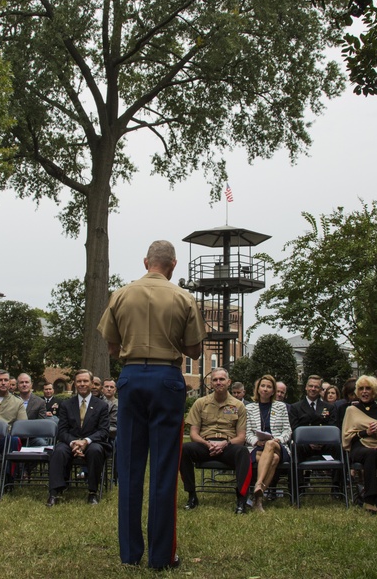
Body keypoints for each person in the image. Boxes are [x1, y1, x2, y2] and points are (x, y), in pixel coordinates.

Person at [97, 239, 205, 571]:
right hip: (167, 379)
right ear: (173, 265)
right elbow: (195, 352)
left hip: (130, 378)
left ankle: (130, 553)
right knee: (163, 469)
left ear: (146, 262)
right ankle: (161, 556)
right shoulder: (183, 297)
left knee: (129, 466)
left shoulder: (121, 294)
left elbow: (112, 346)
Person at [179, 367, 250, 515]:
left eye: (222, 379)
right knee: (184, 449)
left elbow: (241, 437)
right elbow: (193, 433)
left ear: (228, 382)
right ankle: (192, 496)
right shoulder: (200, 403)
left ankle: (241, 500)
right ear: (211, 384)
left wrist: (225, 443)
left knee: (243, 452)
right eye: (215, 380)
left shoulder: (238, 406)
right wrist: (207, 444)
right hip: (205, 445)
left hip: (228, 445)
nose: (218, 382)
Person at [47, 370, 111, 506]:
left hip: (92, 442)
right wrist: (73, 443)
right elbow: (62, 430)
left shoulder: (102, 406)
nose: (82, 384)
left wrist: (85, 441)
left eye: (85, 381)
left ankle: (92, 493)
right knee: (58, 450)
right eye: (79, 381)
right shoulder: (66, 405)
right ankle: (54, 493)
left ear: (92, 383)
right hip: (71, 441)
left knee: (95, 451)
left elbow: (103, 431)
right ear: (75, 384)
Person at [342, 375, 377, 513]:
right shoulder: (351, 410)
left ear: (374, 391)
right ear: (357, 391)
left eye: (368, 388)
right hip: (359, 447)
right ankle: (370, 499)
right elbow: (347, 437)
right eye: (361, 389)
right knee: (370, 453)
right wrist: (366, 432)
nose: (364, 392)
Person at [245, 375, 291, 512]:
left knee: (270, 445)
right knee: (274, 459)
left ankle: (258, 484)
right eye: (263, 386)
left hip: (277, 445)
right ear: (258, 389)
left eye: (269, 387)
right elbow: (247, 433)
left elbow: (287, 431)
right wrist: (257, 441)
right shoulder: (249, 408)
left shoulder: (281, 407)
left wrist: (278, 439)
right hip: (257, 447)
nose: (265, 389)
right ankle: (258, 500)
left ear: (273, 391)